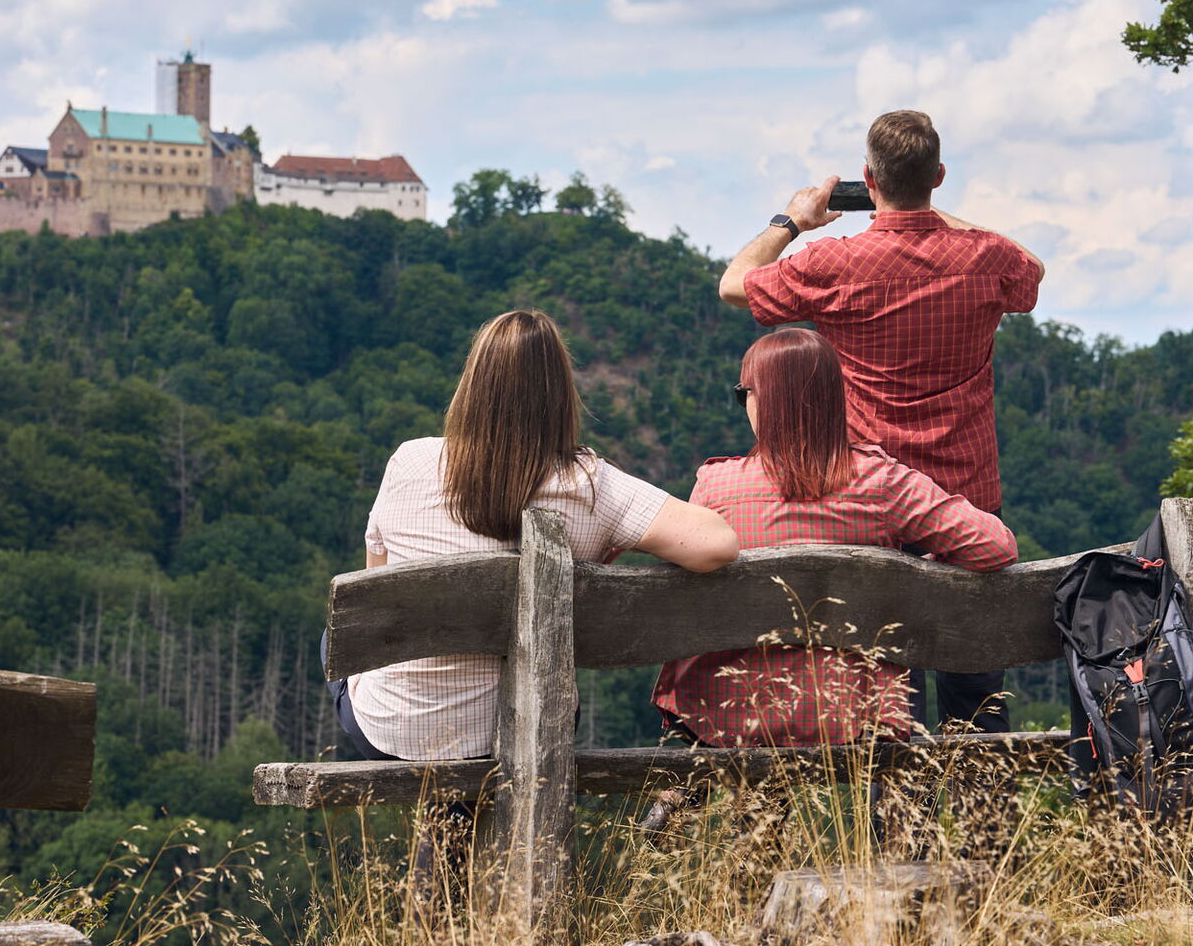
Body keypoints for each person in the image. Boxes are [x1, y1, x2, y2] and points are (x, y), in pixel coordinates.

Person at [717, 109, 1044, 734]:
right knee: (976, 693)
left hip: (872, 501)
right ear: (940, 174)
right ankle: (988, 822)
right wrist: (939, 215)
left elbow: (736, 284)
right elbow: (1030, 266)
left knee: (886, 698)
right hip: (968, 499)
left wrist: (791, 221)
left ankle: (889, 831)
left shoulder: (835, 263)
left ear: (868, 179)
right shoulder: (984, 257)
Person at [332, 308, 739, 763]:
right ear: (560, 394)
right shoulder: (589, 486)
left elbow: (376, 589)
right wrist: (618, 540)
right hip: (527, 732)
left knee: (336, 636)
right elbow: (717, 544)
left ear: (473, 384)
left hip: (394, 729)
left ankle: (448, 828)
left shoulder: (410, 461)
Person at [652, 328, 1017, 751]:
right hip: (856, 713)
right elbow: (996, 545)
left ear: (763, 400)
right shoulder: (883, 483)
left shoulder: (715, 487)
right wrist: (921, 573)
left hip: (730, 711)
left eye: (743, 393)